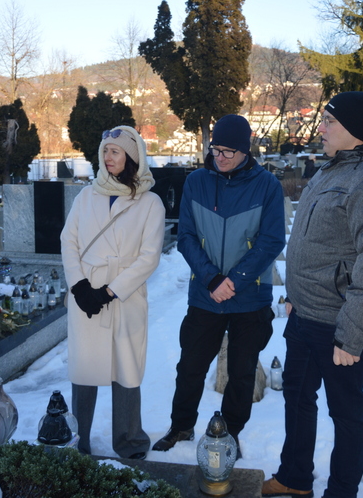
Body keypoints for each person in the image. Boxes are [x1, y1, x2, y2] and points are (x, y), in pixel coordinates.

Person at [262, 92, 363, 498]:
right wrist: (294, 295)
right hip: (306, 314)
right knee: (296, 397)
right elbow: (317, 244)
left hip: (341, 322)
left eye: (330, 122)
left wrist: (352, 334)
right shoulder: (333, 169)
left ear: (354, 130)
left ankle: (342, 492)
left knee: (345, 411)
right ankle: (294, 478)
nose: (321, 128)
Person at [152, 114, 285, 458]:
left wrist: (234, 282)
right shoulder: (196, 181)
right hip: (205, 295)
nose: (220, 157)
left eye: (228, 151)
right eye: (215, 149)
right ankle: (181, 426)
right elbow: (185, 236)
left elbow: (272, 241)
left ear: (245, 151)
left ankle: (229, 433)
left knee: (241, 374)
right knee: (190, 368)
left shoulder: (267, 185)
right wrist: (212, 279)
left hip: (250, 298)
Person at [60, 126, 165, 460]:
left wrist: (109, 292)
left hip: (125, 295)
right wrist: (80, 286)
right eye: (105, 150)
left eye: (115, 151)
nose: (108, 157)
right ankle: (78, 439)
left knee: (126, 368)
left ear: (132, 157)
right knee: (84, 367)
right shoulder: (86, 196)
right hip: (85, 293)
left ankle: (130, 440)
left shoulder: (150, 203)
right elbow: (68, 241)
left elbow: (149, 257)